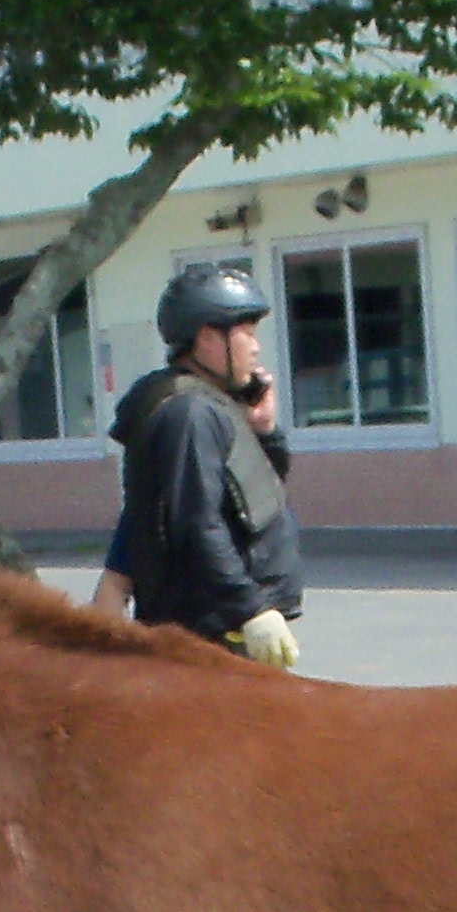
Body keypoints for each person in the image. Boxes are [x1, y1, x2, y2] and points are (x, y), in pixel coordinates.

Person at [116, 262, 304, 663]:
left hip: (233, 628)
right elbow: (196, 524)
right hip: (213, 636)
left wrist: (263, 430)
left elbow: (256, 496)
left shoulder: (215, 405)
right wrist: (250, 609)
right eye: (247, 334)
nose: (256, 347)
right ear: (208, 338)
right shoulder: (189, 414)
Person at [89, 352, 286, 620]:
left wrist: (264, 430)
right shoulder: (163, 500)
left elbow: (268, 492)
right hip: (203, 637)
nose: (254, 348)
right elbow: (116, 581)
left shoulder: (235, 479)